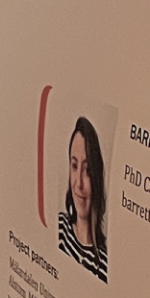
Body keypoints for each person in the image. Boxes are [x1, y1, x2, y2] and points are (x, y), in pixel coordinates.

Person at [59, 118, 109, 281]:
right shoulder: (60, 228)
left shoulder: (104, 265)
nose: (78, 183)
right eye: (74, 166)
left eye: (87, 170)